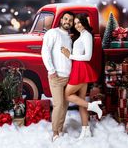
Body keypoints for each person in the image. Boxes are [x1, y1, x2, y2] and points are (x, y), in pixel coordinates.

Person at [61, 13, 103, 140]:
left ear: (84, 22)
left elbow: (88, 56)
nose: (77, 25)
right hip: (77, 68)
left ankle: (93, 106)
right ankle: (86, 131)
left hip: (81, 68)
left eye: (79, 22)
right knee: (81, 101)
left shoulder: (87, 35)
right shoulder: (81, 35)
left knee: (67, 95)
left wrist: (70, 56)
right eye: (75, 23)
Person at [41, 11, 75, 142]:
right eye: (65, 19)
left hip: (68, 76)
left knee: (65, 104)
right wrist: (51, 70)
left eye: (70, 20)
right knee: (58, 104)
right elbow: (45, 51)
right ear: (61, 20)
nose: (67, 21)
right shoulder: (52, 33)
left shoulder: (68, 37)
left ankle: (60, 128)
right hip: (56, 76)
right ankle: (55, 132)